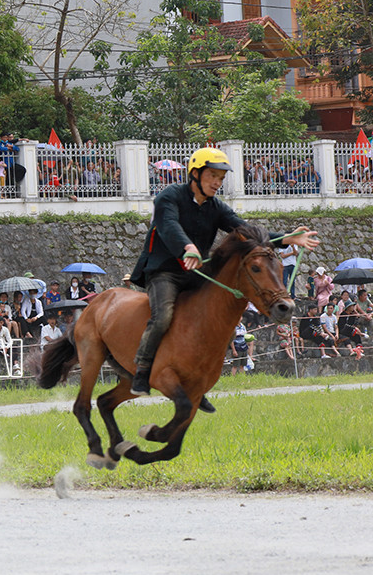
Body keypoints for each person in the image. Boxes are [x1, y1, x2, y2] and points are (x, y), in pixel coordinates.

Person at [128, 147, 320, 407]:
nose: (217, 183)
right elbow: (168, 226)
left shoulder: (216, 207)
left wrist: (287, 238)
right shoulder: (169, 197)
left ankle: (197, 384)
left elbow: (246, 230)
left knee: (216, 318)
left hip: (196, 272)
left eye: (221, 178)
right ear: (195, 174)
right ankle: (142, 370)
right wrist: (187, 247)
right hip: (164, 272)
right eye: (213, 176)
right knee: (162, 316)